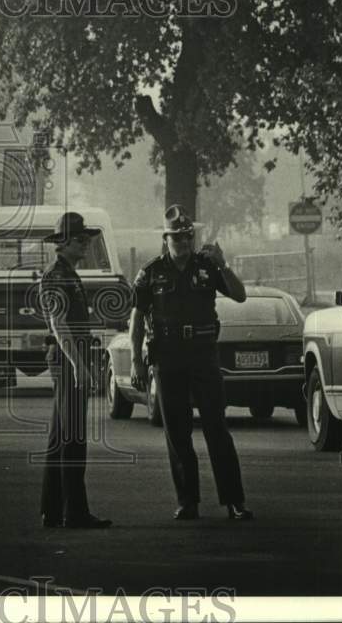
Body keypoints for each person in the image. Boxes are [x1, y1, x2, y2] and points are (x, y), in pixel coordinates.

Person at [129, 205, 254, 521]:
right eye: (177, 237)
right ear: (165, 238)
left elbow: (240, 296)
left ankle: (234, 501)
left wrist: (224, 266)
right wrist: (135, 361)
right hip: (168, 358)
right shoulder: (152, 272)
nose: (184, 242)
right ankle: (188, 501)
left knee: (217, 428)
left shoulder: (207, 267)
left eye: (188, 237)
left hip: (202, 356)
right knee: (178, 432)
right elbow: (138, 317)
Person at [38, 211, 112, 530]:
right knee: (73, 437)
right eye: (81, 239)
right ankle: (75, 512)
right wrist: (79, 365)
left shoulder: (67, 272)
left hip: (72, 356)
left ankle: (53, 510)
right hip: (69, 358)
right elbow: (59, 325)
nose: (86, 244)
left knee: (60, 435)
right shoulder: (56, 275)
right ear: (65, 242)